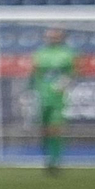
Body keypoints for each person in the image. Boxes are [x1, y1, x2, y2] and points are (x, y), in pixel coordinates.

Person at [30, 28, 77, 174]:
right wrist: (30, 90)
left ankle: (55, 161)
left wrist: (64, 83)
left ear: (61, 38)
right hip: (42, 95)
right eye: (50, 36)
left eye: (55, 36)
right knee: (44, 130)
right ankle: (47, 159)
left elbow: (73, 72)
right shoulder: (40, 53)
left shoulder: (68, 53)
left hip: (58, 97)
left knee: (55, 128)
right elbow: (35, 72)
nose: (52, 39)